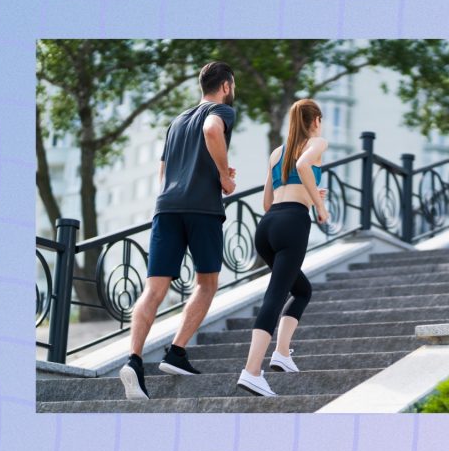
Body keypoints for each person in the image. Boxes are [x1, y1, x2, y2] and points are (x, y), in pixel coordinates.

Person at [120, 62, 237, 400]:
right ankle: (176, 351)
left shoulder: (177, 121)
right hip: (201, 208)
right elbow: (213, 130)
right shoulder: (220, 110)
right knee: (207, 282)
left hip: (166, 207)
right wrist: (224, 176)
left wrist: (176, 191)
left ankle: (134, 360)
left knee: (153, 289)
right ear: (226, 86)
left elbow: (163, 169)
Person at [236, 99, 329, 397]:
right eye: (320, 119)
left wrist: (309, 191)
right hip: (292, 224)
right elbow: (303, 165)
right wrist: (319, 204)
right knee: (275, 297)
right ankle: (251, 371)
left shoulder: (277, 153)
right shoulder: (317, 142)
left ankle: (282, 354)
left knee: (301, 290)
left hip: (268, 227)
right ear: (314, 120)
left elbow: (267, 201)